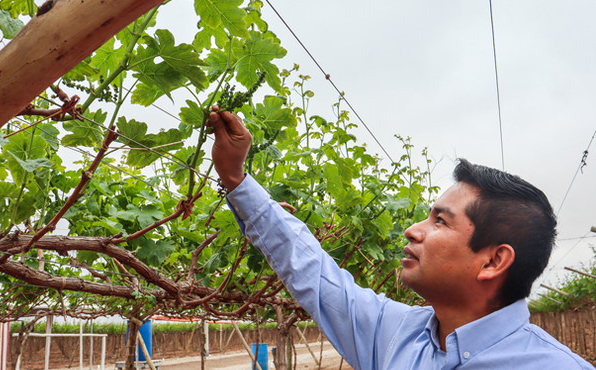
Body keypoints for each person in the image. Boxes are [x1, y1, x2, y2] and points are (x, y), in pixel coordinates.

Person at [206, 108, 594, 369]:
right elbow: (312, 271)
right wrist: (236, 180)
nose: (413, 230)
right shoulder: (395, 333)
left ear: (493, 261)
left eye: (440, 221)